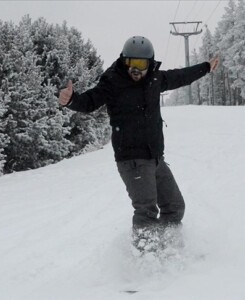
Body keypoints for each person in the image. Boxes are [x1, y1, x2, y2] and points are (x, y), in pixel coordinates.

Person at [59, 36, 219, 244]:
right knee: (146, 211)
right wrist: (71, 100)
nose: (135, 69)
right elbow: (90, 101)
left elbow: (180, 76)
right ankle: (146, 261)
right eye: (131, 63)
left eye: (141, 64)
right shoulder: (113, 82)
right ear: (124, 61)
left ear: (150, 63)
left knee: (174, 207)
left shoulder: (155, 79)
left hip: (155, 157)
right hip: (132, 159)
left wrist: (206, 67)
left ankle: (169, 246)